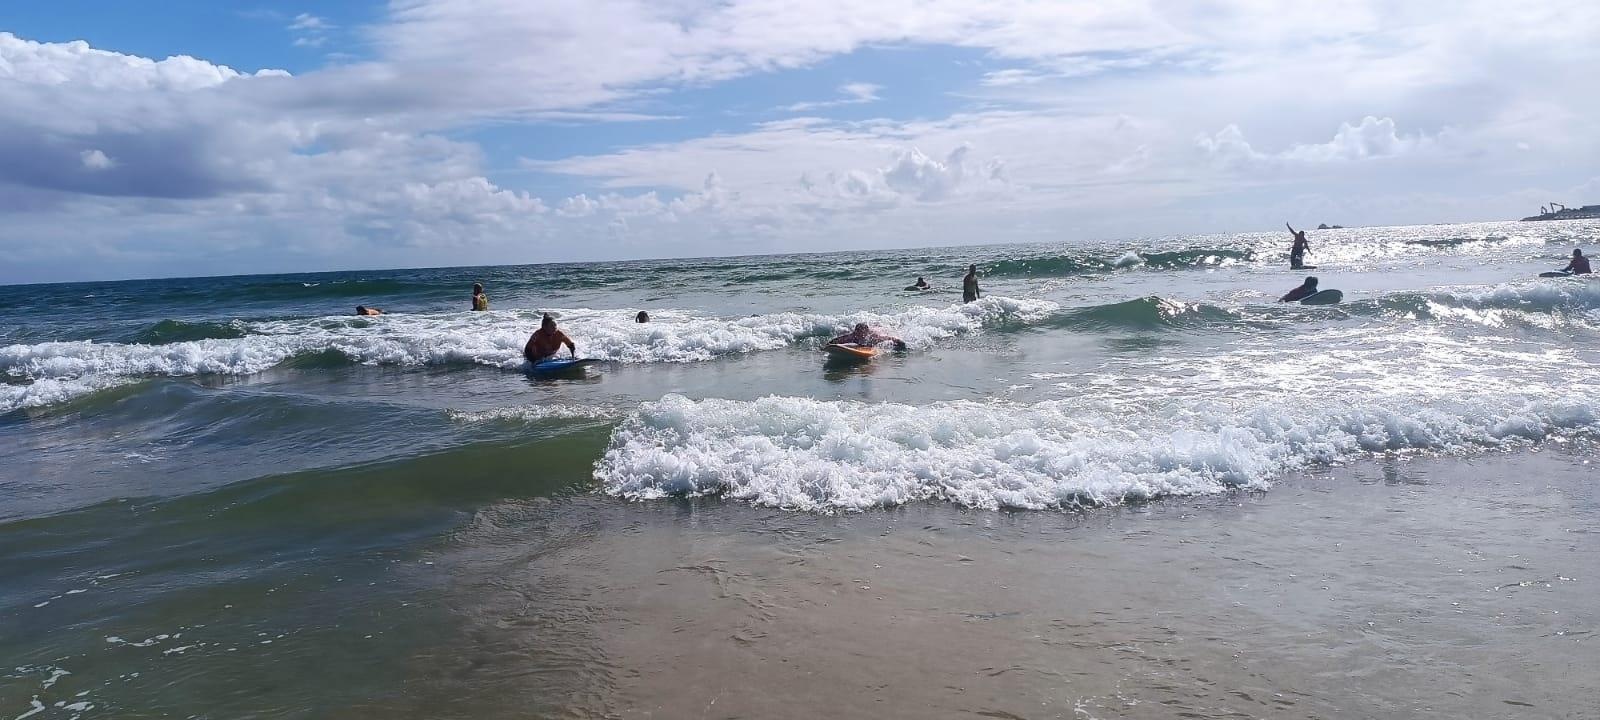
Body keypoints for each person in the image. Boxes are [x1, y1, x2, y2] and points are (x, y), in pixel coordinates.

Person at [829, 322, 907, 351]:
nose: (860, 335)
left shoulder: (874, 337)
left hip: (879, 330)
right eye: (858, 333)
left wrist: (900, 344)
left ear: (866, 332)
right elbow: (836, 341)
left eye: (862, 333)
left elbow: (890, 338)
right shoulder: (852, 336)